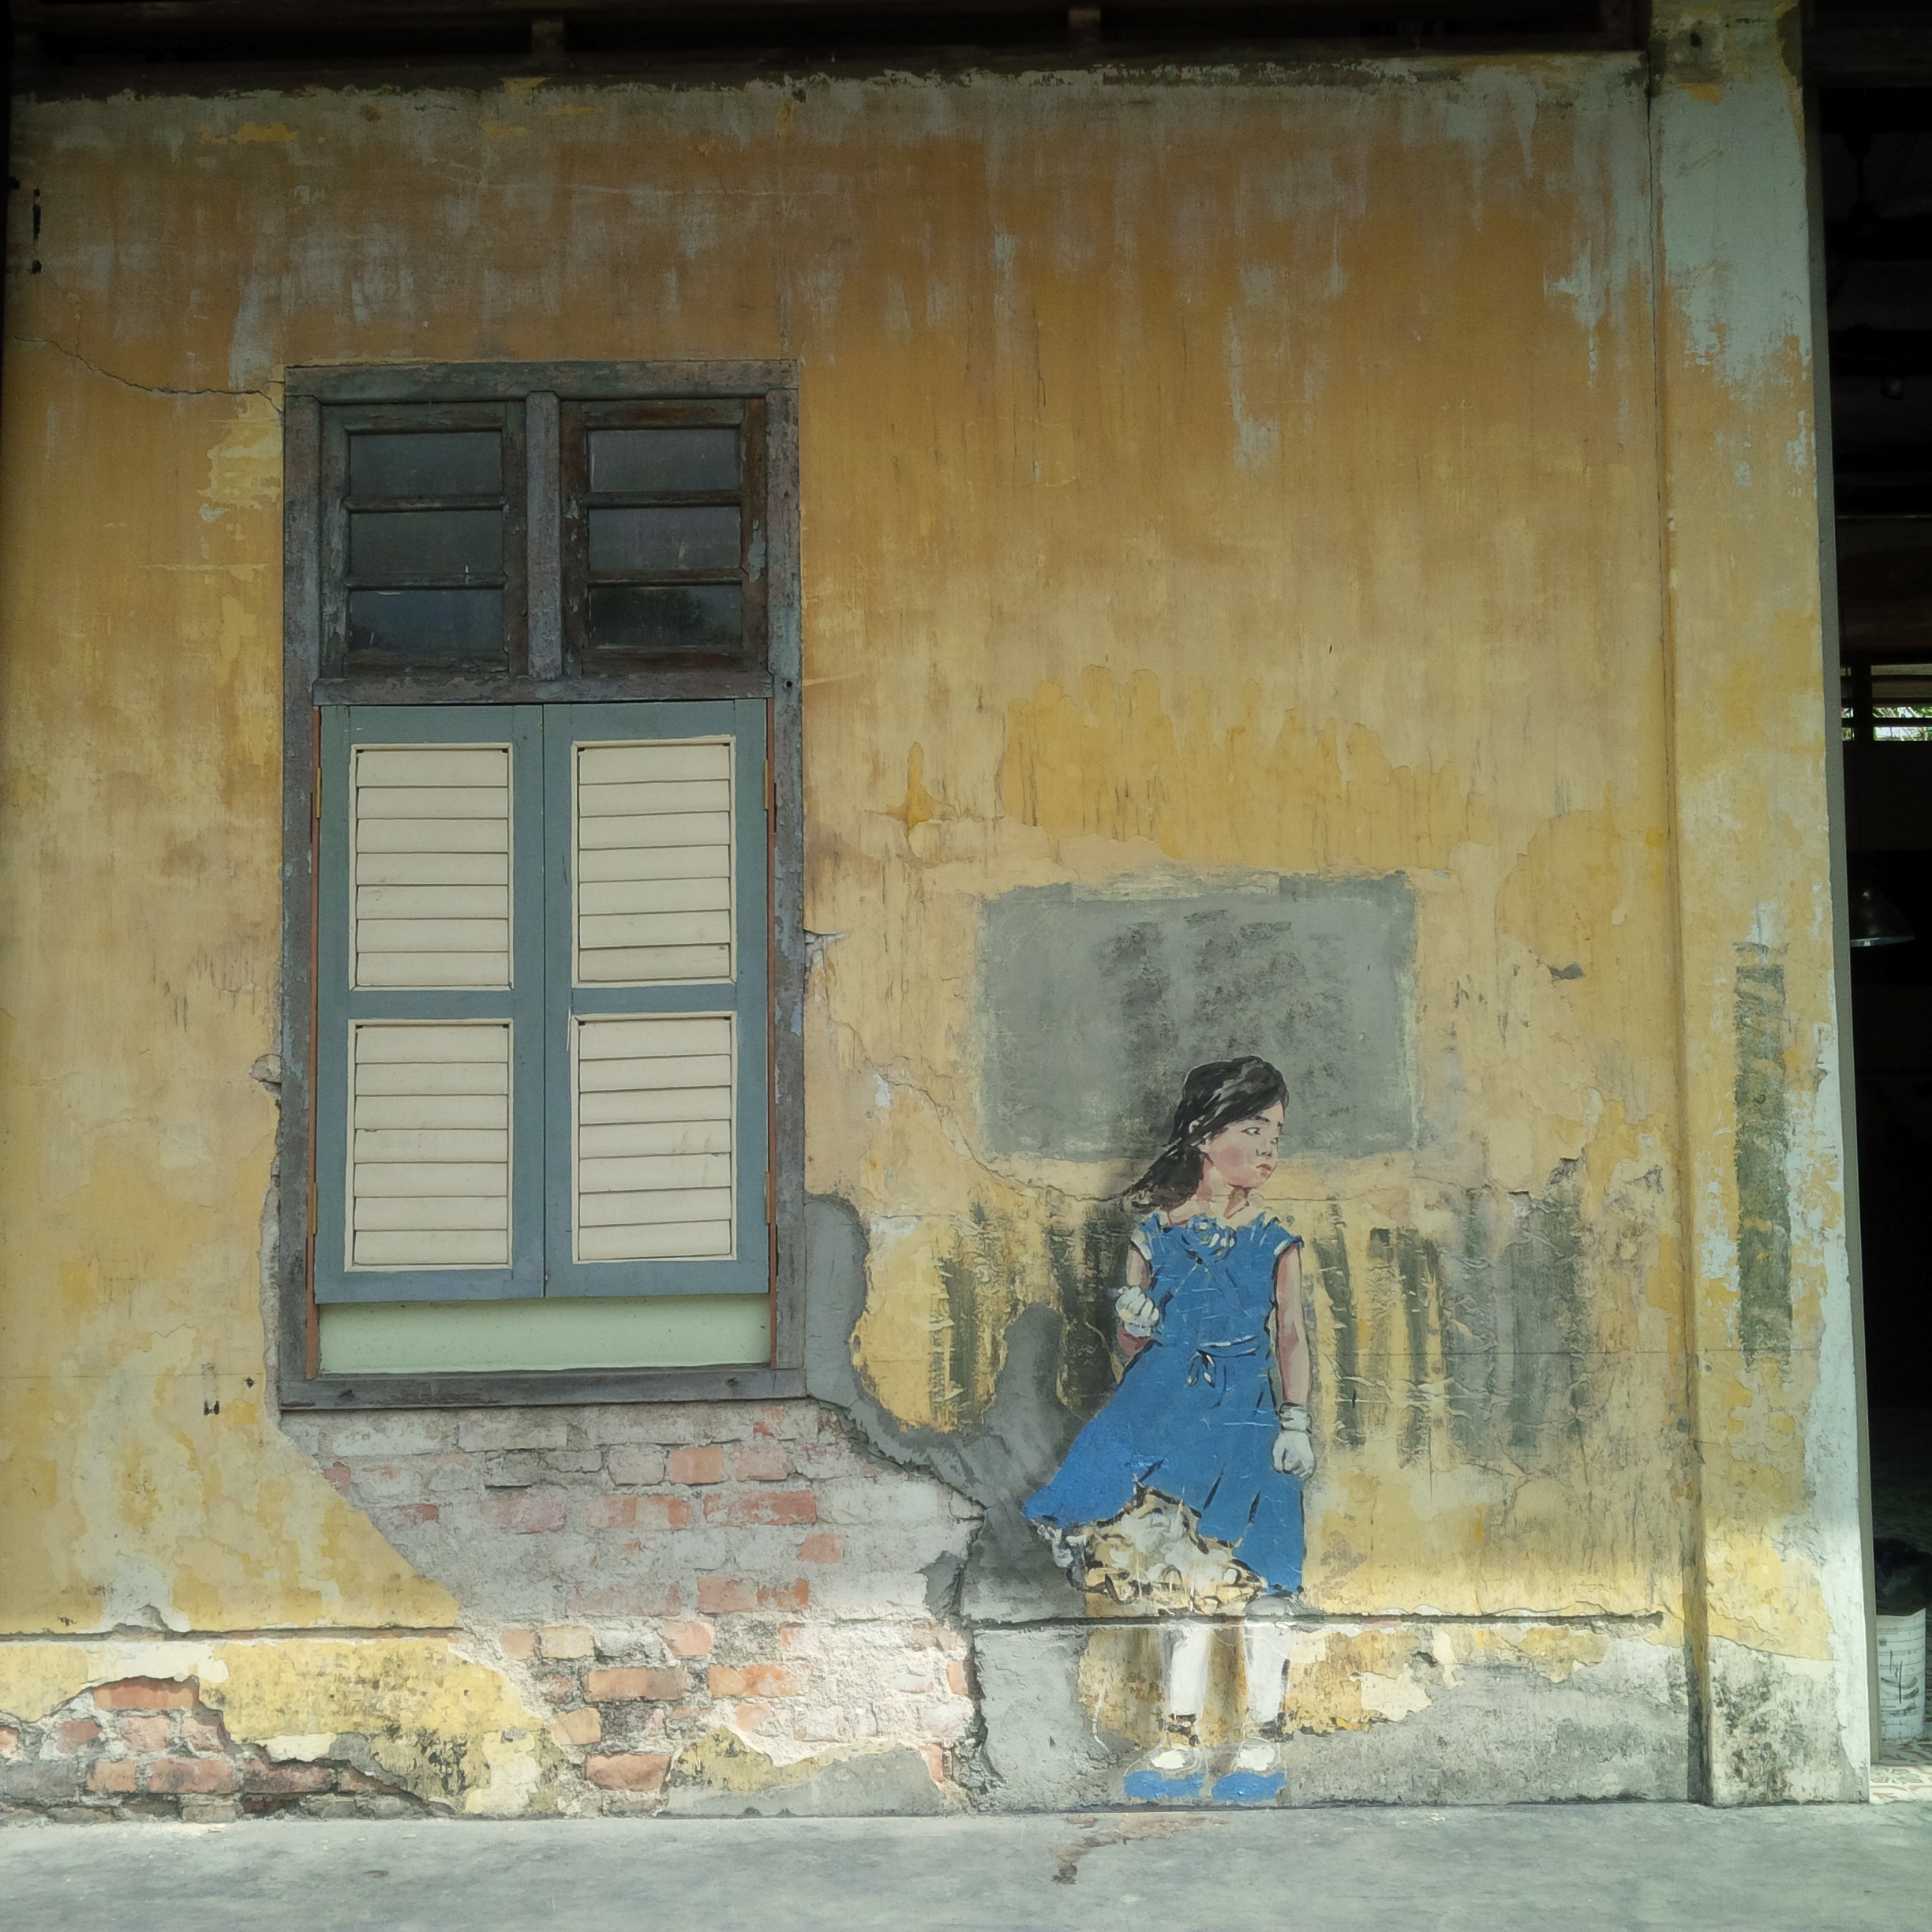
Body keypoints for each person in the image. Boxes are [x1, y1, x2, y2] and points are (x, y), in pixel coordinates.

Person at [1022, 1056, 1313, 1803]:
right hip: (1172, 1421)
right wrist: (1134, 1319)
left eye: (1277, 1133)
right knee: (1181, 1587)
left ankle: (1261, 1744)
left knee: (1264, 1579)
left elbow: (1291, 1337)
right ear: (1205, 1135)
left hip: (1249, 1422)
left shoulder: (1277, 1241)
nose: (1269, 1147)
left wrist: (1296, 1421)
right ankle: (1179, 1744)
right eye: (1254, 1128)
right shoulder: (1153, 1236)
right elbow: (1131, 1348)